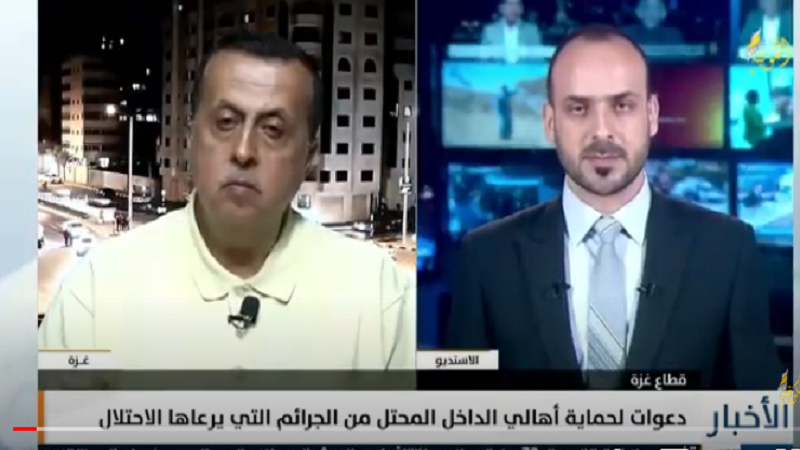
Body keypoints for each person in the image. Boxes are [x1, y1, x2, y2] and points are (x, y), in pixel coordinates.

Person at [39, 30, 415, 371]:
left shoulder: (381, 298)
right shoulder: (97, 290)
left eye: (273, 130)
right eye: (225, 122)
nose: (243, 151)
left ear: (309, 157)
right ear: (190, 138)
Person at [445, 24, 780, 389]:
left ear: (652, 115)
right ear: (550, 123)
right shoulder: (486, 257)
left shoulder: (728, 251)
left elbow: (759, 412)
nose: (602, 131)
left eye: (622, 106)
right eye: (578, 108)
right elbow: (458, 410)